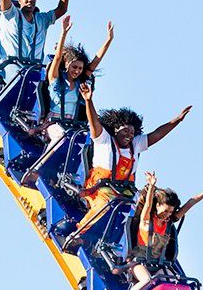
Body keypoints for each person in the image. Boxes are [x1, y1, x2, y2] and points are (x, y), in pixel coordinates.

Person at [69, 84, 192, 239]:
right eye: (125, 131)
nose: (129, 135)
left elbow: (157, 134)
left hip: (125, 190)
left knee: (145, 210)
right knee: (105, 205)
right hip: (101, 188)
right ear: (116, 130)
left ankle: (139, 243)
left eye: (132, 133)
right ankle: (79, 234)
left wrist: (177, 120)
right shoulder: (105, 140)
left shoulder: (135, 144)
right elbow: (94, 123)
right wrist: (89, 101)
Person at [120, 172, 203, 290]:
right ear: (157, 206)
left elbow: (191, 203)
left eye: (170, 212)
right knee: (146, 281)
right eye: (165, 211)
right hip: (138, 262)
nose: (168, 215)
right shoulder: (146, 219)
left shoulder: (169, 222)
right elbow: (147, 205)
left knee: (176, 283)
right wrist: (151, 186)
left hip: (159, 264)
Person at [0, 0, 72, 82]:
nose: (30, 0)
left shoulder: (42, 19)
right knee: (20, 81)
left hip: (33, 69)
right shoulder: (11, 14)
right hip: (11, 68)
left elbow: (62, 9)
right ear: (19, 0)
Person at [42, 17, 114, 143]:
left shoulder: (79, 84)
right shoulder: (56, 79)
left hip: (72, 127)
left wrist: (109, 40)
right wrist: (63, 32)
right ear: (67, 65)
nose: (77, 71)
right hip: (53, 125)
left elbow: (95, 62)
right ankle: (44, 161)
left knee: (91, 140)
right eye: (74, 67)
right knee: (61, 137)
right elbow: (58, 57)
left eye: (80, 68)